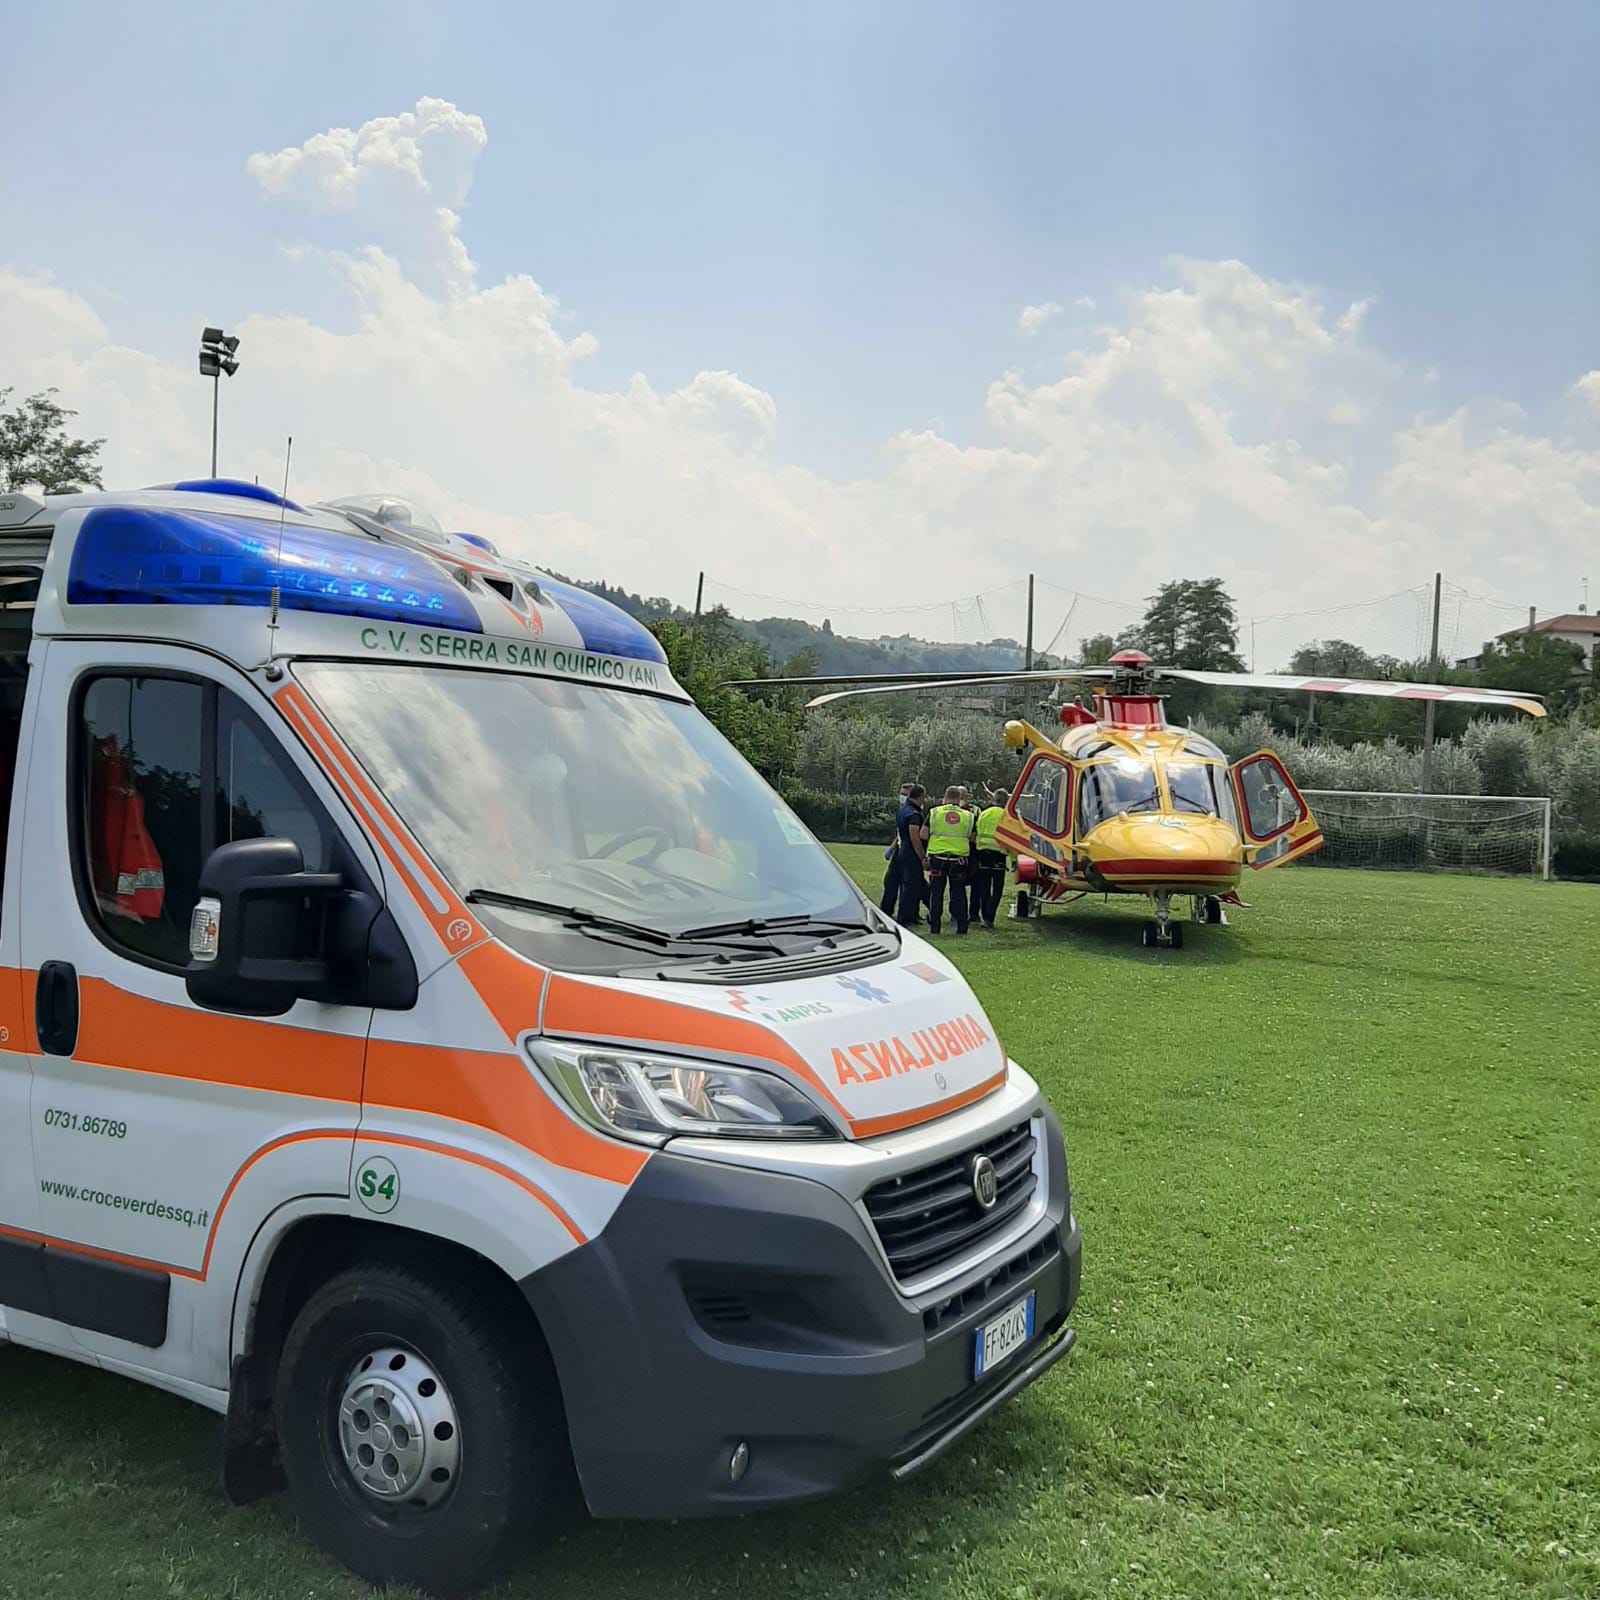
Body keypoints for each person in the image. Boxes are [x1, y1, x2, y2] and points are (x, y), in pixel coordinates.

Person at [924, 785, 974, 934]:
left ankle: (935, 926)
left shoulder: (934, 813)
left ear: (944, 798)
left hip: (938, 859)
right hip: (958, 860)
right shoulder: (968, 815)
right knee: (958, 894)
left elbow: (923, 834)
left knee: (936, 894)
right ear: (960, 799)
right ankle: (962, 926)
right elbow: (973, 837)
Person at [894, 784, 928, 927]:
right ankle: (904, 917)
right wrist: (922, 856)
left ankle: (913, 915)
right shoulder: (914, 814)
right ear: (920, 796)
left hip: (903, 851)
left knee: (912, 884)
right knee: (910, 886)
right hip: (911, 852)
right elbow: (915, 837)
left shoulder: (903, 810)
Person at [972, 796, 1009, 928]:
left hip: (983, 854)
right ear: (1006, 802)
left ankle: (984, 916)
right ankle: (989, 917)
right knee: (997, 889)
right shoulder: (1006, 815)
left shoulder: (983, 813)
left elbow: (976, 831)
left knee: (984, 888)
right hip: (999, 855)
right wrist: (1015, 860)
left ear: (993, 800)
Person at [880, 781, 913, 915]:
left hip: (907, 852)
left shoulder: (912, 811)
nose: (902, 797)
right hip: (899, 849)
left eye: (905, 794)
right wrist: (892, 848)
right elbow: (900, 833)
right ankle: (887, 910)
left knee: (911, 884)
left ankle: (910, 913)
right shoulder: (903, 810)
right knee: (891, 881)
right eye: (901, 794)